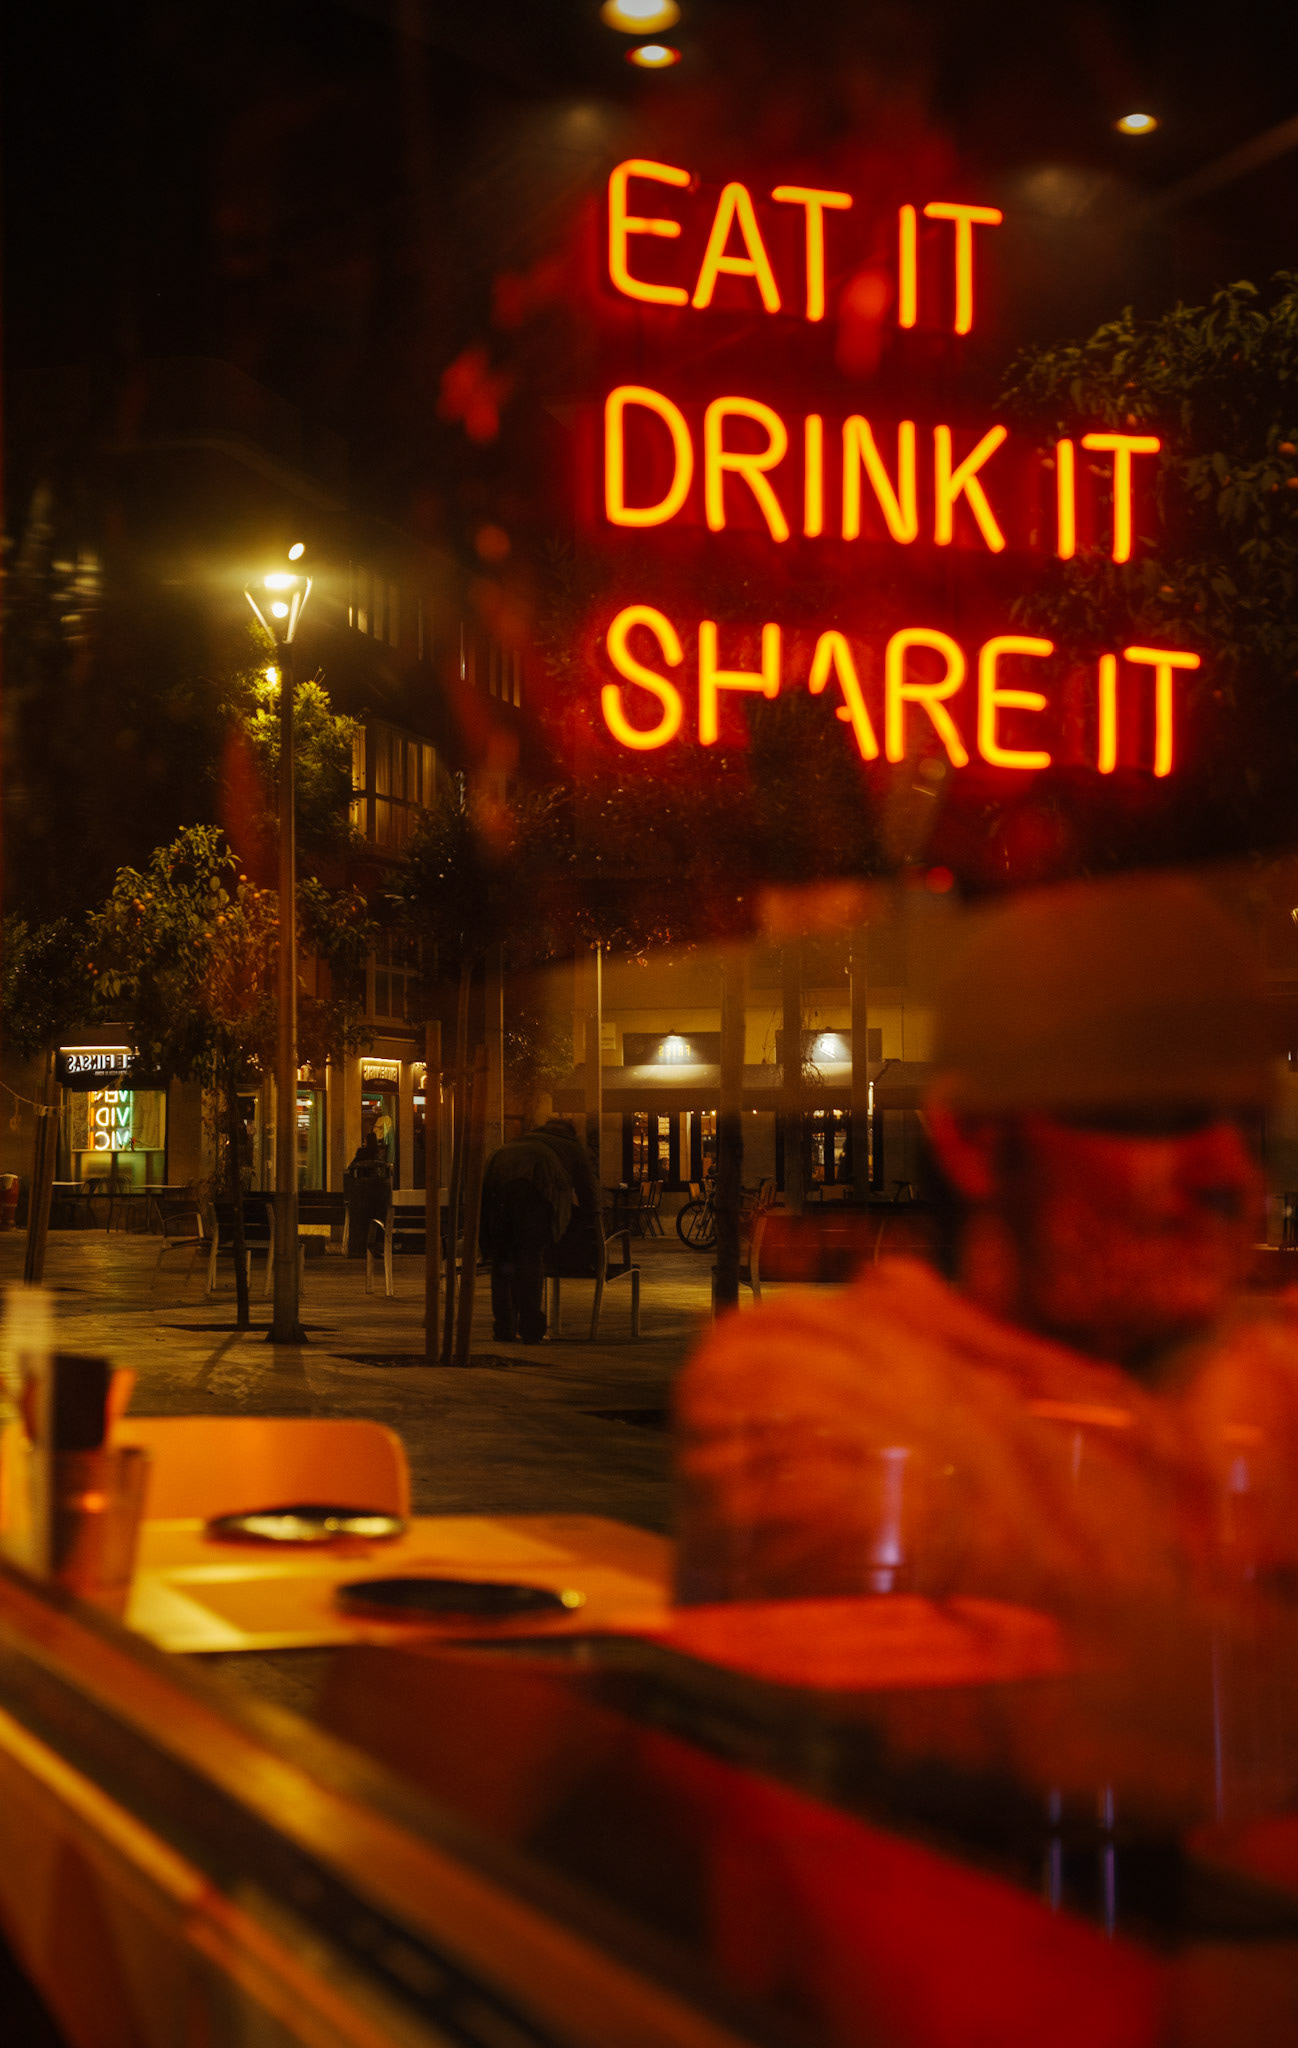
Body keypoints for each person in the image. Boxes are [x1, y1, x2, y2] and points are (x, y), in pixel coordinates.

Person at [675, 873, 1298, 1643]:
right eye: (1159, 1113)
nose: (1228, 1173)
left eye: (1250, 1123)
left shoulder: (1265, 1382)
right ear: (973, 1136)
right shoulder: (814, 1387)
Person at [481, 1116, 601, 1342]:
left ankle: (504, 1327)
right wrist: (593, 1225)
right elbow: (588, 1189)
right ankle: (531, 1328)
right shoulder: (571, 1145)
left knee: (502, 1259)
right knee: (530, 1257)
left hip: (497, 1182)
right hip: (536, 1192)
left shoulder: (521, 1141)